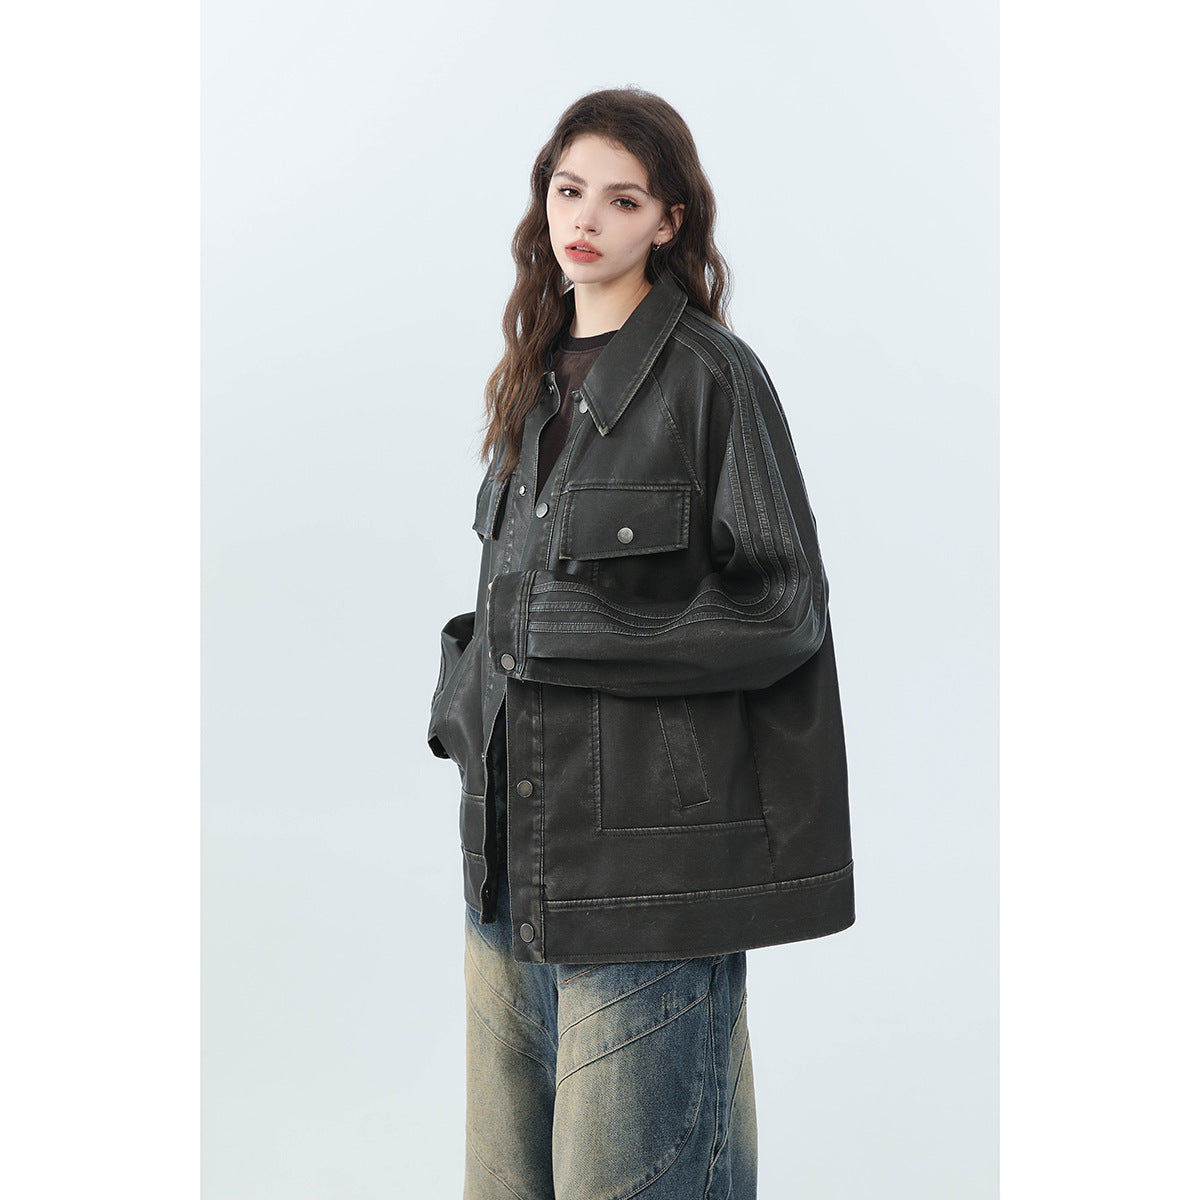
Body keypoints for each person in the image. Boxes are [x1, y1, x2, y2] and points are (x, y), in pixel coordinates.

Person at [427, 86, 854, 1200]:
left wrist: (577, 629)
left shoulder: (713, 378)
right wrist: (462, 699)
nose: (587, 219)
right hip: (507, 872)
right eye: (570, 190)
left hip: (646, 883)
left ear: (668, 222)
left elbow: (786, 608)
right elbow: (508, 610)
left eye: (622, 201)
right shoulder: (533, 378)